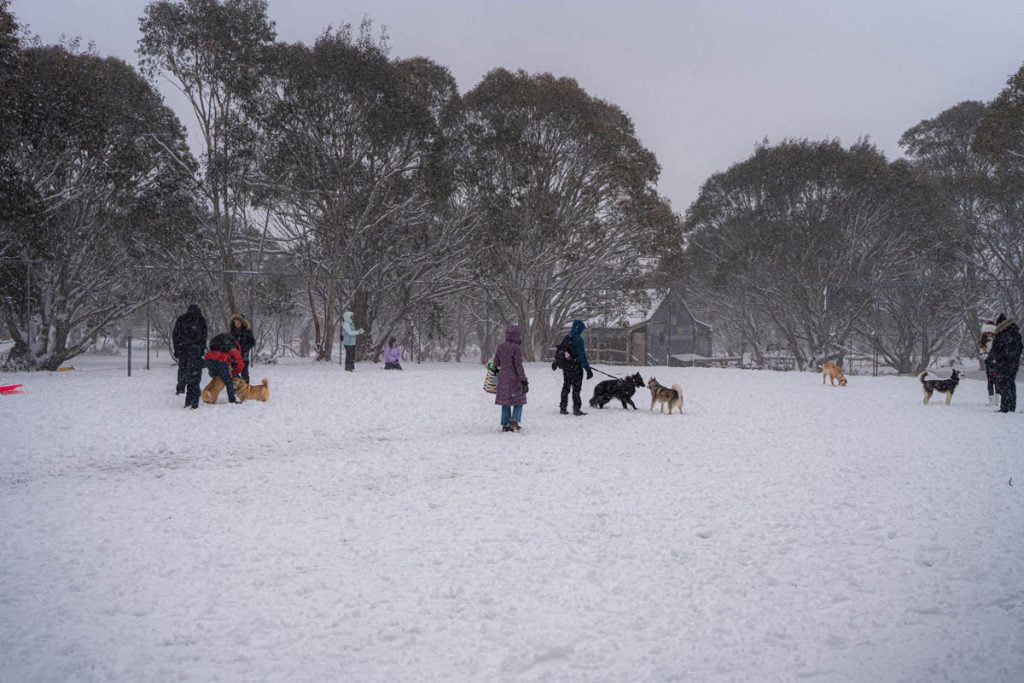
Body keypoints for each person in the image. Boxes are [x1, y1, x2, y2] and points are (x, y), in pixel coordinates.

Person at [553, 319, 593, 416]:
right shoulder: (578, 340)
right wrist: (587, 369)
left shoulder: (567, 337)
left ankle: (563, 407)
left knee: (566, 387)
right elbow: (582, 355)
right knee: (576, 389)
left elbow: (561, 350)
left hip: (567, 367)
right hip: (576, 367)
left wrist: (556, 361)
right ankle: (576, 408)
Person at [494, 324, 528, 432]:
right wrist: (524, 380)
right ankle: (515, 421)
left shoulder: (501, 346)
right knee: (519, 401)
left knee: (505, 402)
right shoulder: (516, 348)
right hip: (514, 379)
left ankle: (505, 424)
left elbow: (496, 363)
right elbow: (518, 366)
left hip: (503, 378)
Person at [172, 304, 207, 408]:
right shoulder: (200, 320)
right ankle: (191, 393)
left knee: (183, 369)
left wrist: (177, 348)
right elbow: (204, 336)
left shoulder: (182, 319)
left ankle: (181, 387)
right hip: (193, 350)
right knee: (194, 374)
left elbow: (175, 335)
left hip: (184, 349)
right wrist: (201, 348)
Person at [986, 313, 1022, 413]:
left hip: (1003, 364)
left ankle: (1005, 407)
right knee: (1011, 384)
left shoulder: (1001, 334)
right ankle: (1011, 407)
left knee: (1003, 385)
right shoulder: (1016, 333)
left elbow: (995, 350)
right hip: (1013, 365)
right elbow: (1019, 349)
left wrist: (991, 359)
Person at [203, 333, 245, 405]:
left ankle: (205, 395)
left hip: (208, 359)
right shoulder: (233, 348)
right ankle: (230, 400)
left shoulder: (220, 342)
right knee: (227, 381)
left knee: (215, 379)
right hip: (220, 361)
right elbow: (240, 363)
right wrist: (234, 373)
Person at [229, 314, 256, 384]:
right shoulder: (231, 332)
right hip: (234, 357)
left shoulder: (248, 332)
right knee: (234, 373)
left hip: (244, 356)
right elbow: (228, 343)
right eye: (235, 323)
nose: (237, 324)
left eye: (238, 323)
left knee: (245, 374)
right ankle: (237, 388)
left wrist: (244, 348)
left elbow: (252, 342)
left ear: (242, 322)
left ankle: (246, 390)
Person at [979, 320, 998, 405]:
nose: (989, 334)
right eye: (987, 333)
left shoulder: (998, 341)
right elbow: (982, 352)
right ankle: (991, 400)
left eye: (990, 332)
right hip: (988, 363)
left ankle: (997, 400)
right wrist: (985, 356)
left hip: (997, 363)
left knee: (997, 382)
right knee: (990, 382)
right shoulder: (983, 341)